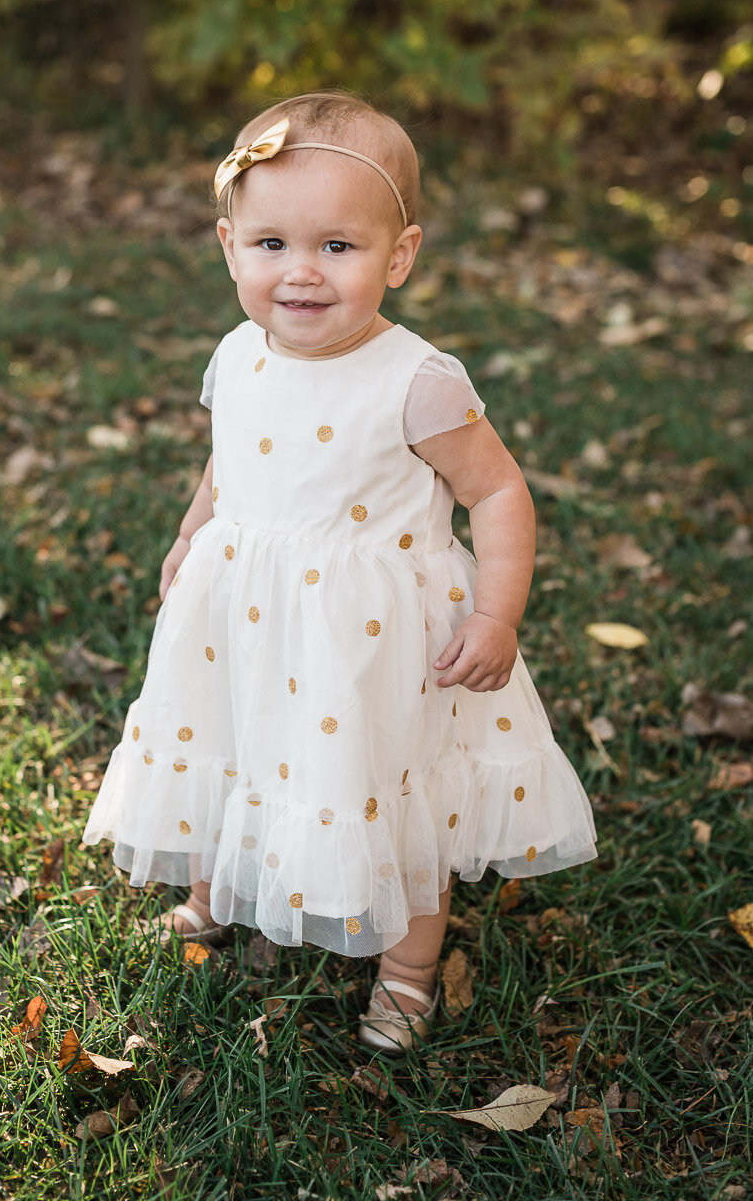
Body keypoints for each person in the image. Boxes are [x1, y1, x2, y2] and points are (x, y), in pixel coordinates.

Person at [83, 92, 597, 1052]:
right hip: (241, 613)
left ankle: (405, 972)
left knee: (383, 780)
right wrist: (193, 533)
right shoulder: (238, 356)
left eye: (337, 247)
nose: (300, 273)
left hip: (371, 639)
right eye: (271, 244)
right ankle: (218, 887)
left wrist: (495, 615)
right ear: (229, 244)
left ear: (397, 255)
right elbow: (227, 460)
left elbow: (498, 496)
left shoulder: (417, 381)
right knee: (234, 741)